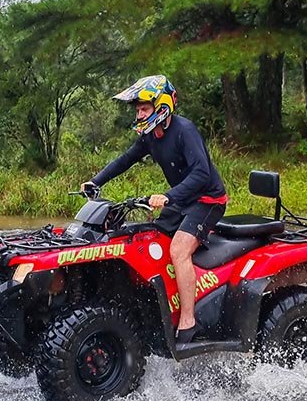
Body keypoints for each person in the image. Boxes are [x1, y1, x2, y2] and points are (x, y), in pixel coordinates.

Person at [81, 75, 227, 343]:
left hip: (207, 201)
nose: (139, 113)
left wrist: (168, 196)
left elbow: (201, 174)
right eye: (137, 109)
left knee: (178, 250)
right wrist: (96, 181)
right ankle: (160, 308)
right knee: (148, 242)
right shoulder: (149, 136)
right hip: (182, 201)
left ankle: (188, 322)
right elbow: (125, 160)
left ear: (161, 106)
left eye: (144, 108)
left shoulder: (185, 130)